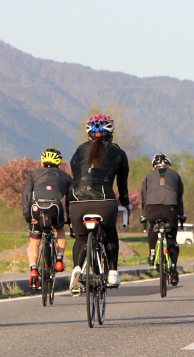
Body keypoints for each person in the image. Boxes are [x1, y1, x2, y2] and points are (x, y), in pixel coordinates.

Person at [68, 114, 131, 294]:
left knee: (81, 238)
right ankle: (112, 273)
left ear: (89, 135)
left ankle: (77, 269)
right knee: (110, 231)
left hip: (77, 200)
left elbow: (76, 174)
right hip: (104, 201)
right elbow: (122, 184)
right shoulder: (118, 152)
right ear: (111, 134)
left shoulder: (80, 150)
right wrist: (126, 204)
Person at [22, 148, 72, 290]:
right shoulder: (66, 177)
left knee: (34, 241)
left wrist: (27, 215)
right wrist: (70, 219)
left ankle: (33, 270)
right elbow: (69, 200)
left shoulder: (33, 174)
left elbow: (26, 195)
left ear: (43, 162)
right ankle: (59, 261)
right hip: (55, 206)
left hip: (36, 207)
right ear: (59, 163)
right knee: (60, 230)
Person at [140, 153, 185, 286]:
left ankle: (152, 252)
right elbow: (179, 197)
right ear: (169, 166)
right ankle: (173, 267)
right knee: (171, 238)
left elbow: (144, 196)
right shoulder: (175, 175)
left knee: (152, 226)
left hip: (151, 208)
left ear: (154, 167)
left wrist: (144, 214)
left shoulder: (149, 175)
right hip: (170, 208)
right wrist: (181, 214)